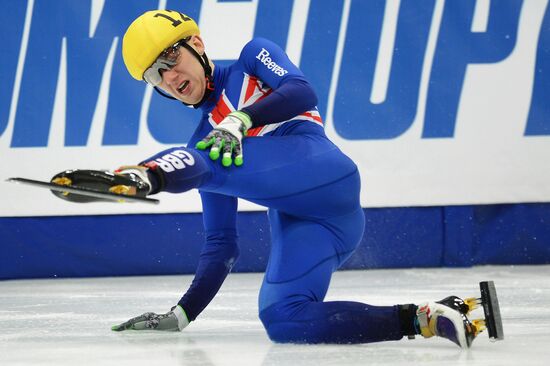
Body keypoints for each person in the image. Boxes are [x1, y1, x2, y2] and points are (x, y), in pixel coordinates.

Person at [58, 9, 486, 348]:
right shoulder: (204, 145)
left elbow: (301, 91)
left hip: (325, 172)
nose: (170, 77)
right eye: (156, 75)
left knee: (209, 155)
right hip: (318, 226)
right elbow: (221, 245)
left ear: (197, 45)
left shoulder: (250, 59)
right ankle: (427, 317)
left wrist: (241, 119)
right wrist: (181, 313)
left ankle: (143, 175)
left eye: (171, 58)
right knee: (282, 319)